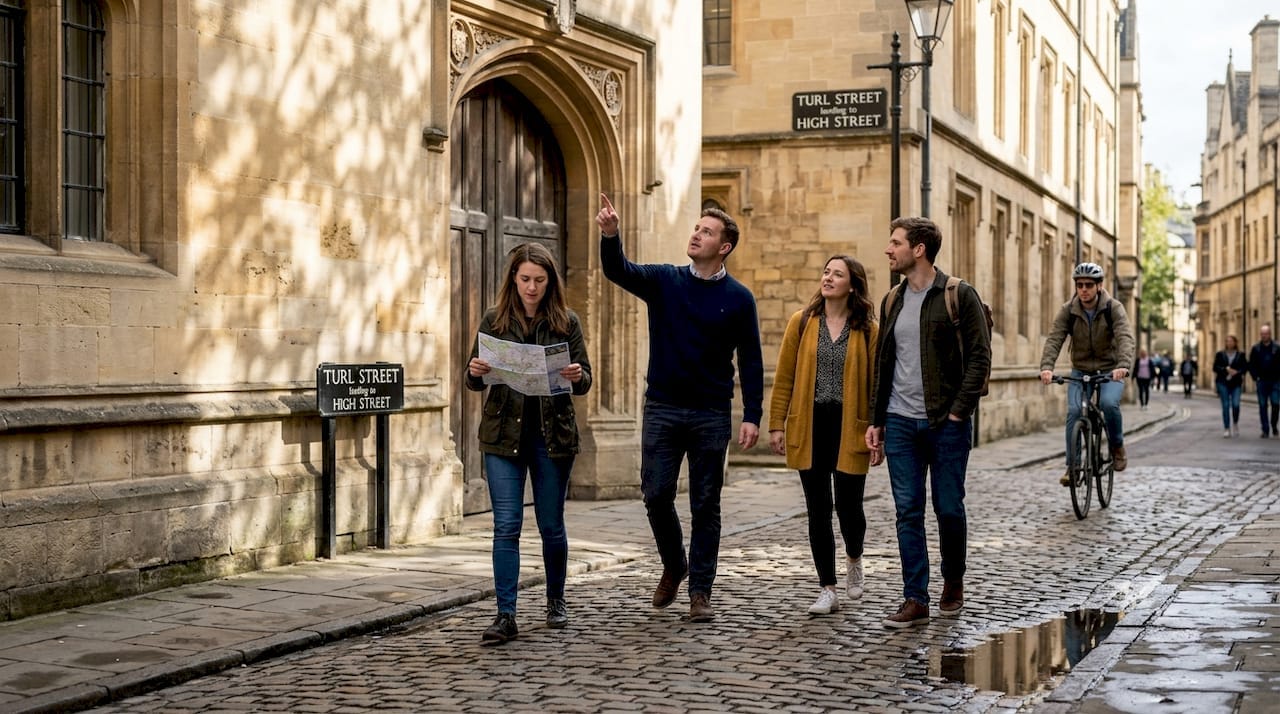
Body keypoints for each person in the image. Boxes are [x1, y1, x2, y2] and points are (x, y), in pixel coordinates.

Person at [596, 193, 764, 623]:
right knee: (655, 493)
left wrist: (752, 415)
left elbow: (750, 358)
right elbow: (619, 270)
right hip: (663, 407)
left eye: (706, 231)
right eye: (696, 228)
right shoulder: (665, 280)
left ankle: (700, 592)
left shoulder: (740, 298)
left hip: (710, 413)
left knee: (706, 503)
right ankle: (675, 562)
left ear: (724, 246)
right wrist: (611, 235)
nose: (696, 234)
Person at [864, 217, 991, 629]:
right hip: (900, 422)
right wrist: (877, 420)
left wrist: (957, 412)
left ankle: (953, 580)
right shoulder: (891, 301)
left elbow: (980, 359)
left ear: (918, 249)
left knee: (949, 508)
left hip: (946, 423)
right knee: (907, 511)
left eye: (895, 242)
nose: (888, 249)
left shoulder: (958, 295)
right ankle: (914, 598)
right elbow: (884, 365)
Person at [465, 243, 592, 645]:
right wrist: (476, 370)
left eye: (539, 280)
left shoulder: (565, 322)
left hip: (552, 438)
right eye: (525, 280)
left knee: (550, 525)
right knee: (506, 526)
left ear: (550, 281)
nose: (532, 288)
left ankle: (556, 600)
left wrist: (576, 374)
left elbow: (586, 379)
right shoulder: (494, 320)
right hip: (503, 437)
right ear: (513, 280)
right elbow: (472, 380)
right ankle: (506, 614)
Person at [769, 255, 879, 616]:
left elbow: (878, 385)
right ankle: (827, 588)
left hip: (851, 426)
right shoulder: (801, 323)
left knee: (849, 508)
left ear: (853, 284)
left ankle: (855, 557)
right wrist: (776, 423)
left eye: (837, 274)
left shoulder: (867, 329)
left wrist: (880, 429)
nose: (828, 278)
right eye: (826, 272)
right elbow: (784, 376)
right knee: (817, 510)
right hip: (810, 423)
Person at [1039, 262, 1135, 486]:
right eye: (1079, 285)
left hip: (1111, 371)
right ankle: (1073, 468)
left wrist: (1123, 365)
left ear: (1099, 286)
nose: (1083, 289)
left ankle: (1117, 447)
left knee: (1109, 404)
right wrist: (1047, 367)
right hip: (1081, 370)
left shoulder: (1114, 308)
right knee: (1074, 411)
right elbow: (1055, 338)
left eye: (1089, 285)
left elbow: (1125, 338)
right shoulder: (1069, 310)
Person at [1248, 325, 1280, 438]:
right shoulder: (1256, 349)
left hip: (1275, 381)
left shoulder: (1277, 348)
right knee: (1262, 406)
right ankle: (1265, 429)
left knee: (1276, 404)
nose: (1264, 336)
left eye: (1266, 334)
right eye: (1262, 334)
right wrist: (1255, 377)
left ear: (1270, 334)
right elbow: (1251, 364)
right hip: (1261, 381)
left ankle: (1274, 425)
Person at [1214, 335, 1248, 438]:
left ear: (1235, 343)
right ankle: (1227, 428)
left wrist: (1237, 372)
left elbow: (1245, 368)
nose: (1229, 343)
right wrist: (1225, 369)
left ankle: (1235, 423)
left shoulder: (1240, 355)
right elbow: (1215, 367)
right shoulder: (1220, 354)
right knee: (1225, 405)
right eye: (1227, 341)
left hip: (1236, 383)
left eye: (1231, 341)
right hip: (1223, 383)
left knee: (1236, 404)